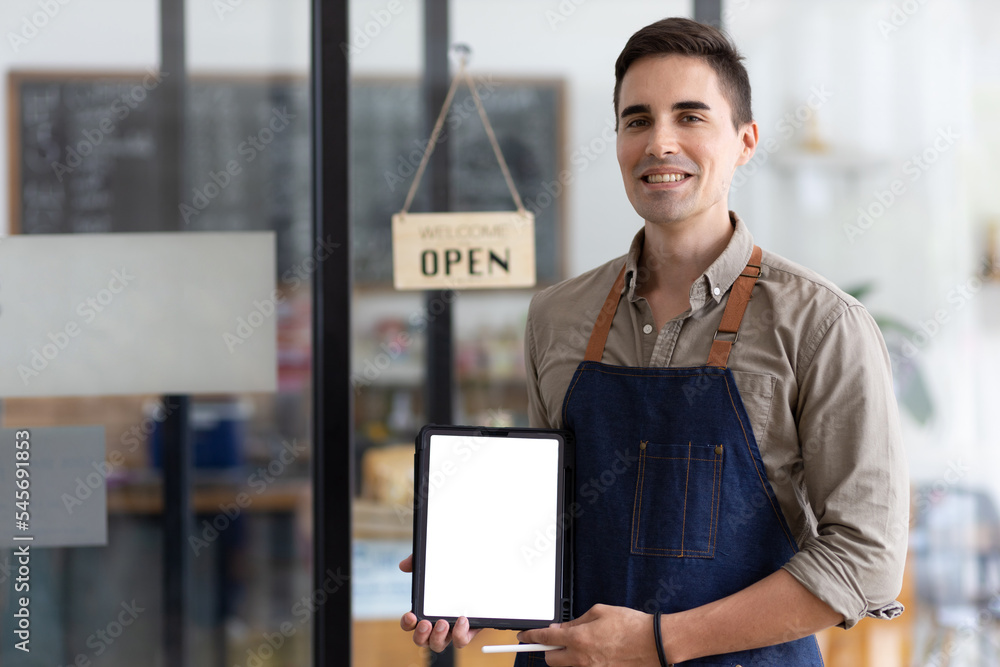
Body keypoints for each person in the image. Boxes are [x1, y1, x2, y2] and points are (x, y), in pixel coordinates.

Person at [400, 16, 908, 665]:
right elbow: (554, 517)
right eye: (637, 120)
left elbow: (865, 560)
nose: (659, 142)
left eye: (690, 117)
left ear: (745, 140)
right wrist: (478, 566)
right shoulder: (556, 315)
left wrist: (656, 642)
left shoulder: (822, 324)